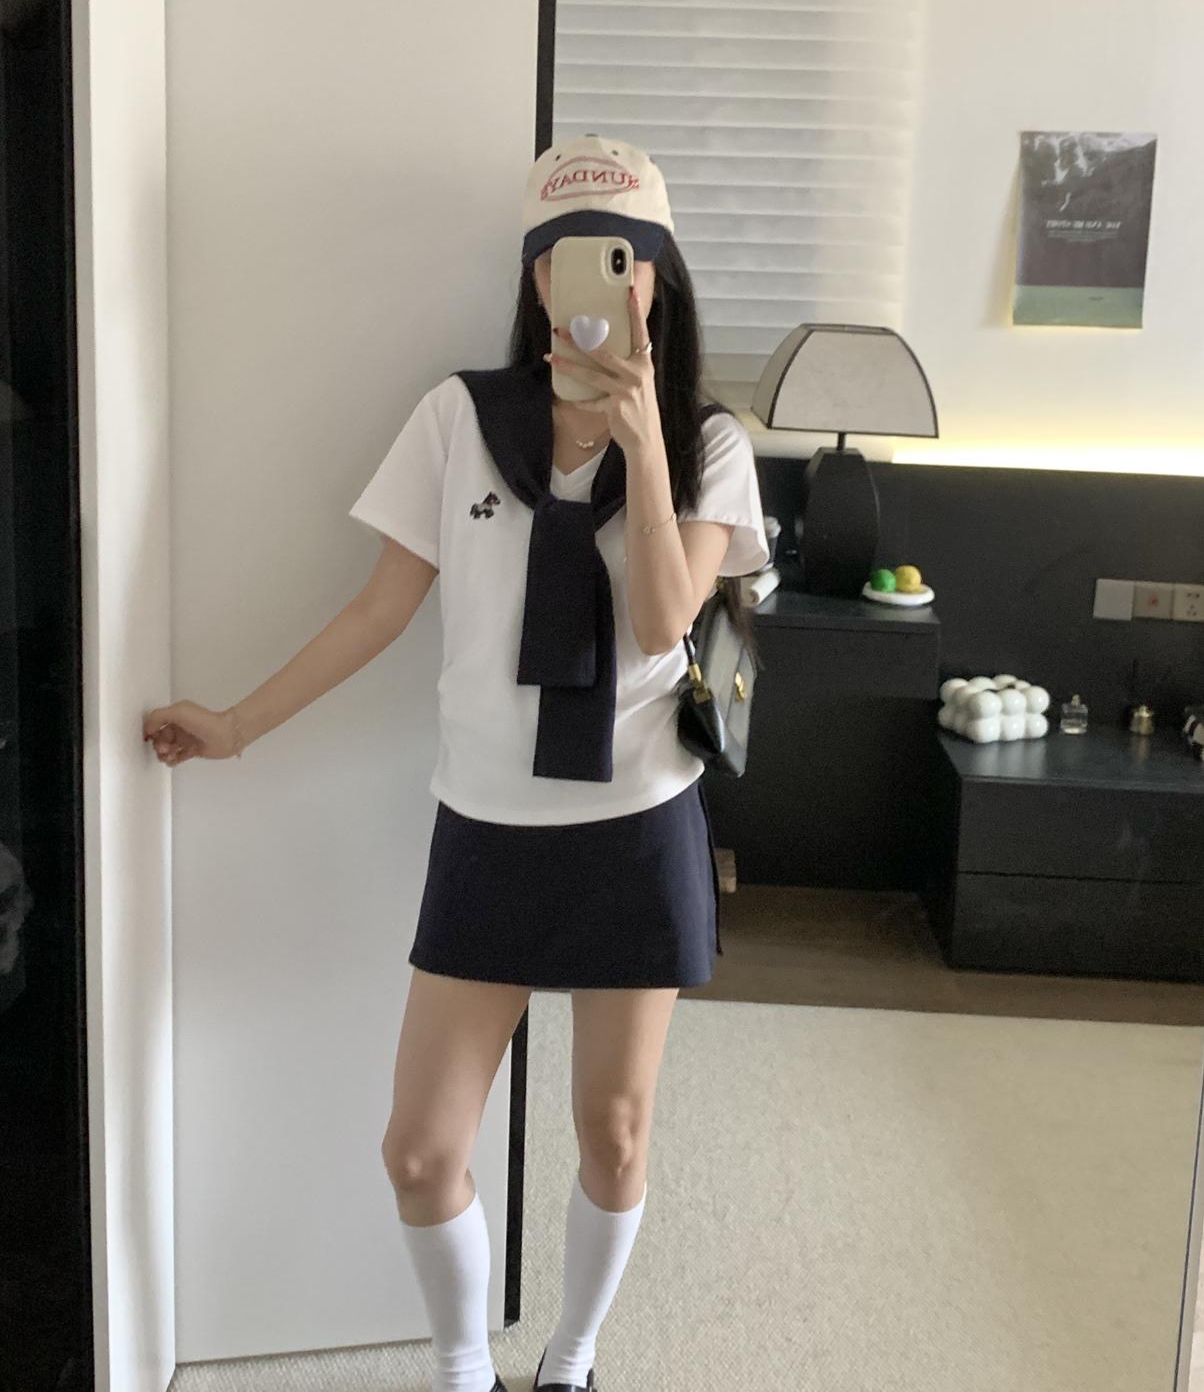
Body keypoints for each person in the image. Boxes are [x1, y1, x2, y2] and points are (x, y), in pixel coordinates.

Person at [143, 134, 770, 1392]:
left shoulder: (708, 444)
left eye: (624, 258)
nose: (593, 282)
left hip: (637, 822)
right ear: (534, 278)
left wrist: (644, 446)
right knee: (421, 1151)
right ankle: (462, 1369)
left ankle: (572, 1361)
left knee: (615, 1130)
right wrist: (240, 723)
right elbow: (378, 612)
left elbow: (663, 622)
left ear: (658, 277)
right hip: (486, 825)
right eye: (563, 259)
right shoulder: (459, 420)